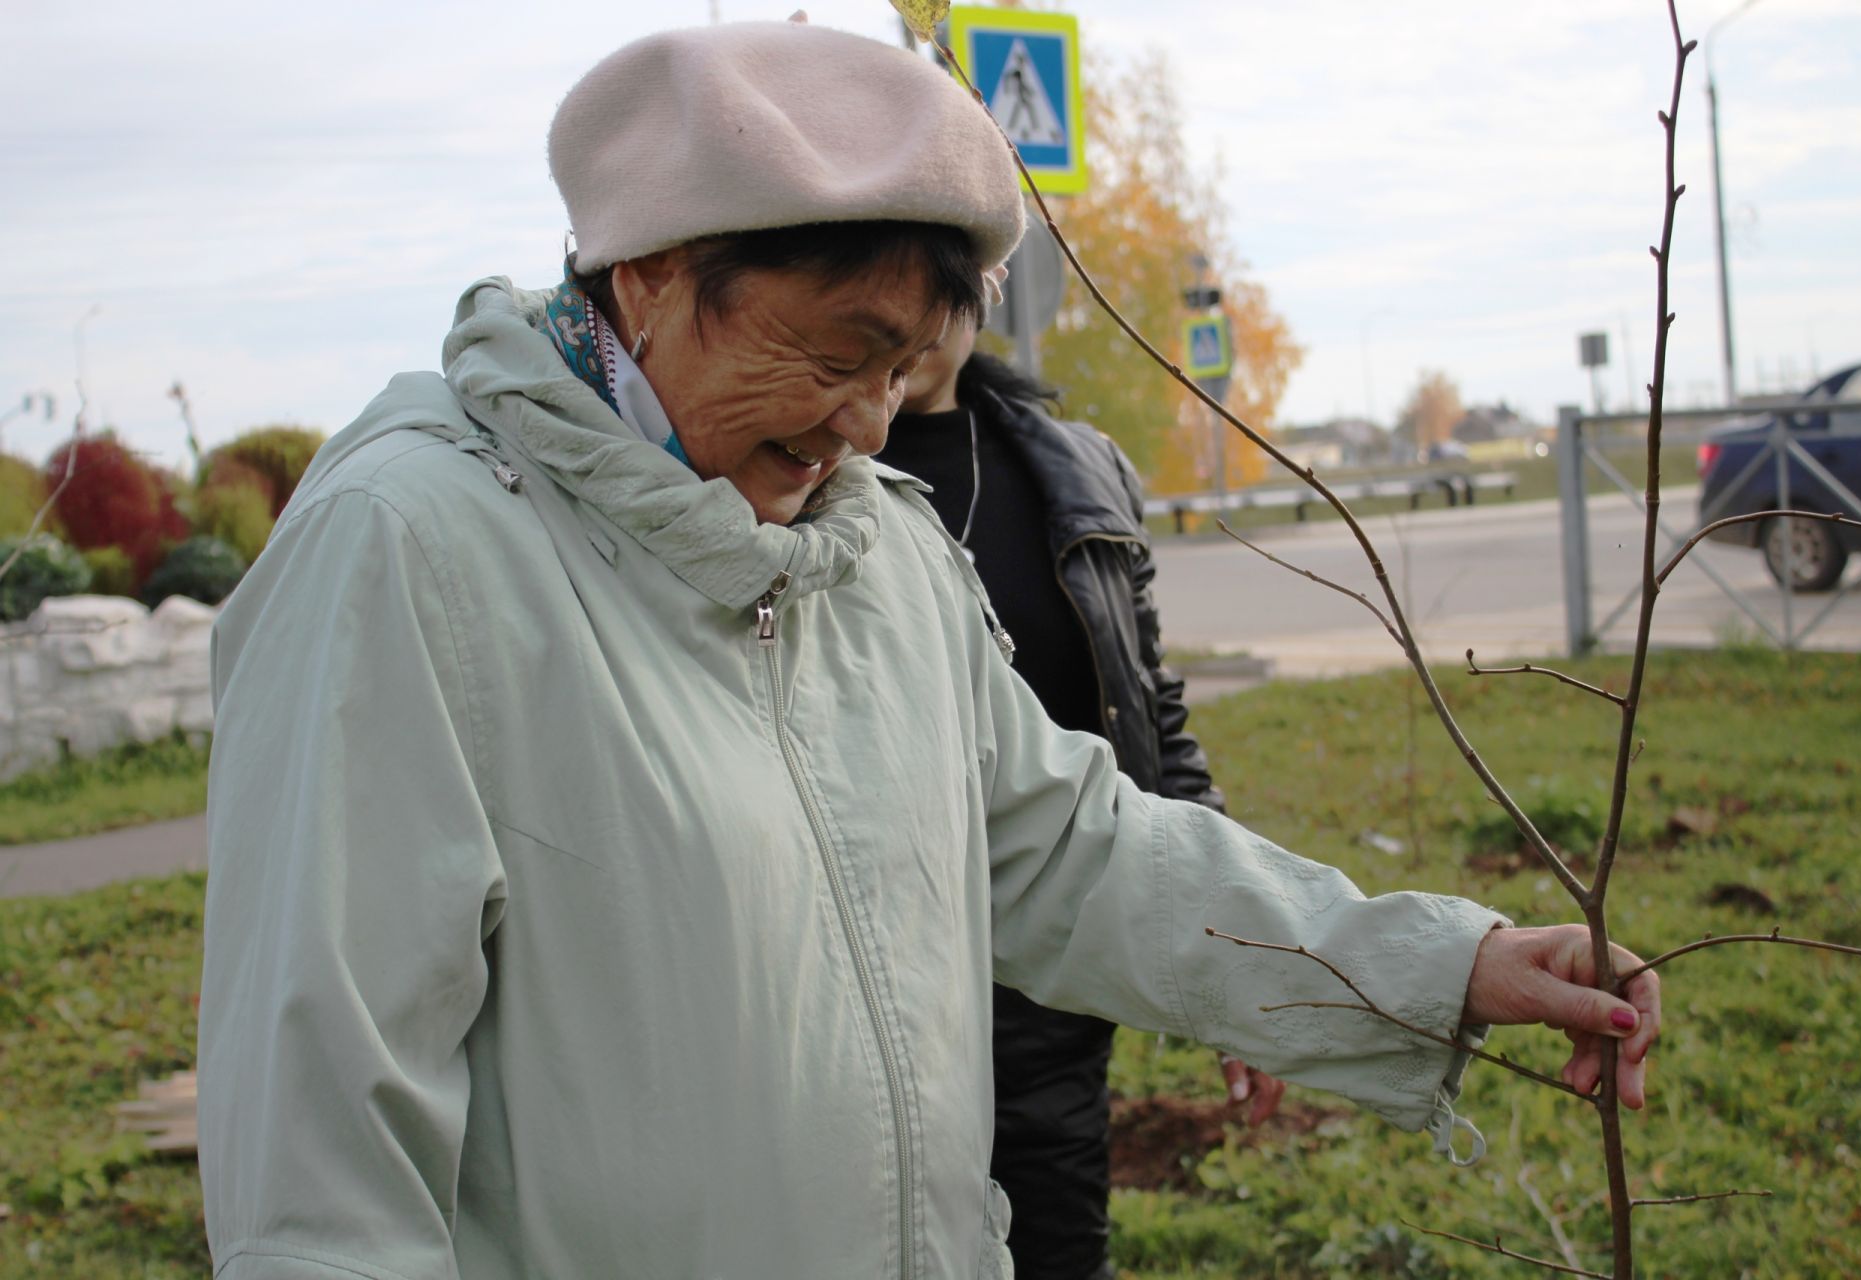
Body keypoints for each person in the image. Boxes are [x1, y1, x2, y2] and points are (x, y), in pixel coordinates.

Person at [198, 20, 1662, 1280]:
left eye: (903, 372)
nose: (867, 423)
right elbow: (323, 1151)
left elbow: (1075, 853)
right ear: (647, 276)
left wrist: (1433, 968)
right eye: (838, 353)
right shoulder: (410, 552)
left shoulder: (874, 545)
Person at [877, 317, 1281, 1279]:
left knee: (1058, 1249)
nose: (927, 313)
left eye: (958, 269)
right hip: (875, 961)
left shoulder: (1079, 469)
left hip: (1049, 971)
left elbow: (1151, 721)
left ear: (992, 280)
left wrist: (1239, 964)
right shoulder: (804, 461)